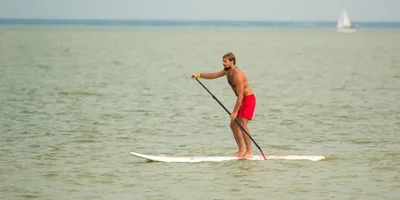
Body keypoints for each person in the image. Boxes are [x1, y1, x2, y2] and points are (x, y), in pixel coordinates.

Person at [191, 52, 256, 159]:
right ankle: (241, 150)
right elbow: (213, 75)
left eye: (225, 61)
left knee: (243, 124)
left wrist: (235, 112)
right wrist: (198, 75)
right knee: (233, 125)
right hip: (241, 100)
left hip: (248, 99)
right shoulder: (227, 71)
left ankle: (249, 152)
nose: (223, 63)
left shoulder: (238, 75)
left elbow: (240, 96)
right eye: (223, 61)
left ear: (232, 62)